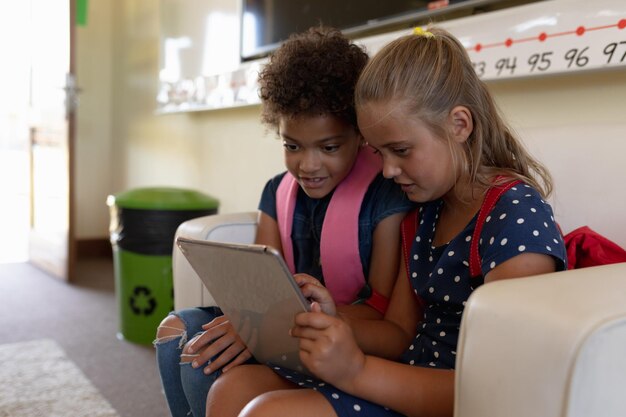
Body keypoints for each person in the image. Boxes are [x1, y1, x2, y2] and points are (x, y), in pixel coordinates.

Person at [204, 26, 568, 417]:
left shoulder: (513, 215)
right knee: (232, 390)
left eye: (401, 150)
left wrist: (357, 371)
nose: (389, 170)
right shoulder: (424, 213)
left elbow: (503, 388)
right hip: (399, 372)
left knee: (264, 413)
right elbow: (397, 332)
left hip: (454, 397)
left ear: (459, 125)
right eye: (379, 153)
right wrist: (330, 321)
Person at [153, 26, 415, 417]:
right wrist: (252, 320)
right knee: (174, 334)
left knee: (201, 368)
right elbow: (261, 282)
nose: (307, 166)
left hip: (339, 336)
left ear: (360, 135)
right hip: (282, 325)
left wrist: (267, 324)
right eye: (292, 146)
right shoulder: (277, 192)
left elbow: (379, 310)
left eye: (329, 147)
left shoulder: (385, 197)